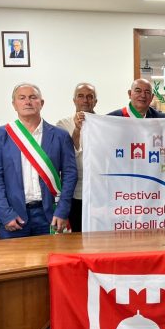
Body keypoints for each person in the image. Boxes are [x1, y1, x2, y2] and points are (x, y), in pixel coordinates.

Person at [0, 83, 77, 238]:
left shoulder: (60, 136)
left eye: (33, 97)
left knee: (51, 255)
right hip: (14, 216)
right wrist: (5, 213)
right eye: (22, 98)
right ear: (14, 104)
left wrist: (62, 210)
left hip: (50, 215)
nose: (27, 102)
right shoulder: (0, 135)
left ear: (42, 103)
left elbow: (70, 175)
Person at [56, 82, 98, 232]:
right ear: (74, 100)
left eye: (90, 96)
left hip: (98, 192)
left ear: (95, 101)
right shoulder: (62, 125)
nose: (85, 100)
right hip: (74, 192)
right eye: (81, 96)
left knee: (99, 235)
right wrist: (77, 130)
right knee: (76, 235)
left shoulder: (105, 124)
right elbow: (66, 155)